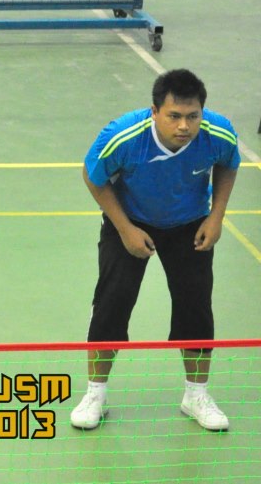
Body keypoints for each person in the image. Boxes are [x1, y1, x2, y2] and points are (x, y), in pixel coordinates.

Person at [70, 69, 240, 432]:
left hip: (190, 223)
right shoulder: (123, 136)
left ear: (202, 112)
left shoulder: (219, 133)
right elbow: (92, 175)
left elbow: (229, 164)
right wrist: (125, 228)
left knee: (196, 305)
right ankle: (95, 394)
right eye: (174, 116)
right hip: (130, 219)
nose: (184, 126)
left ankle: (196, 395)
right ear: (154, 111)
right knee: (112, 301)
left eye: (192, 116)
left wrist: (216, 216)